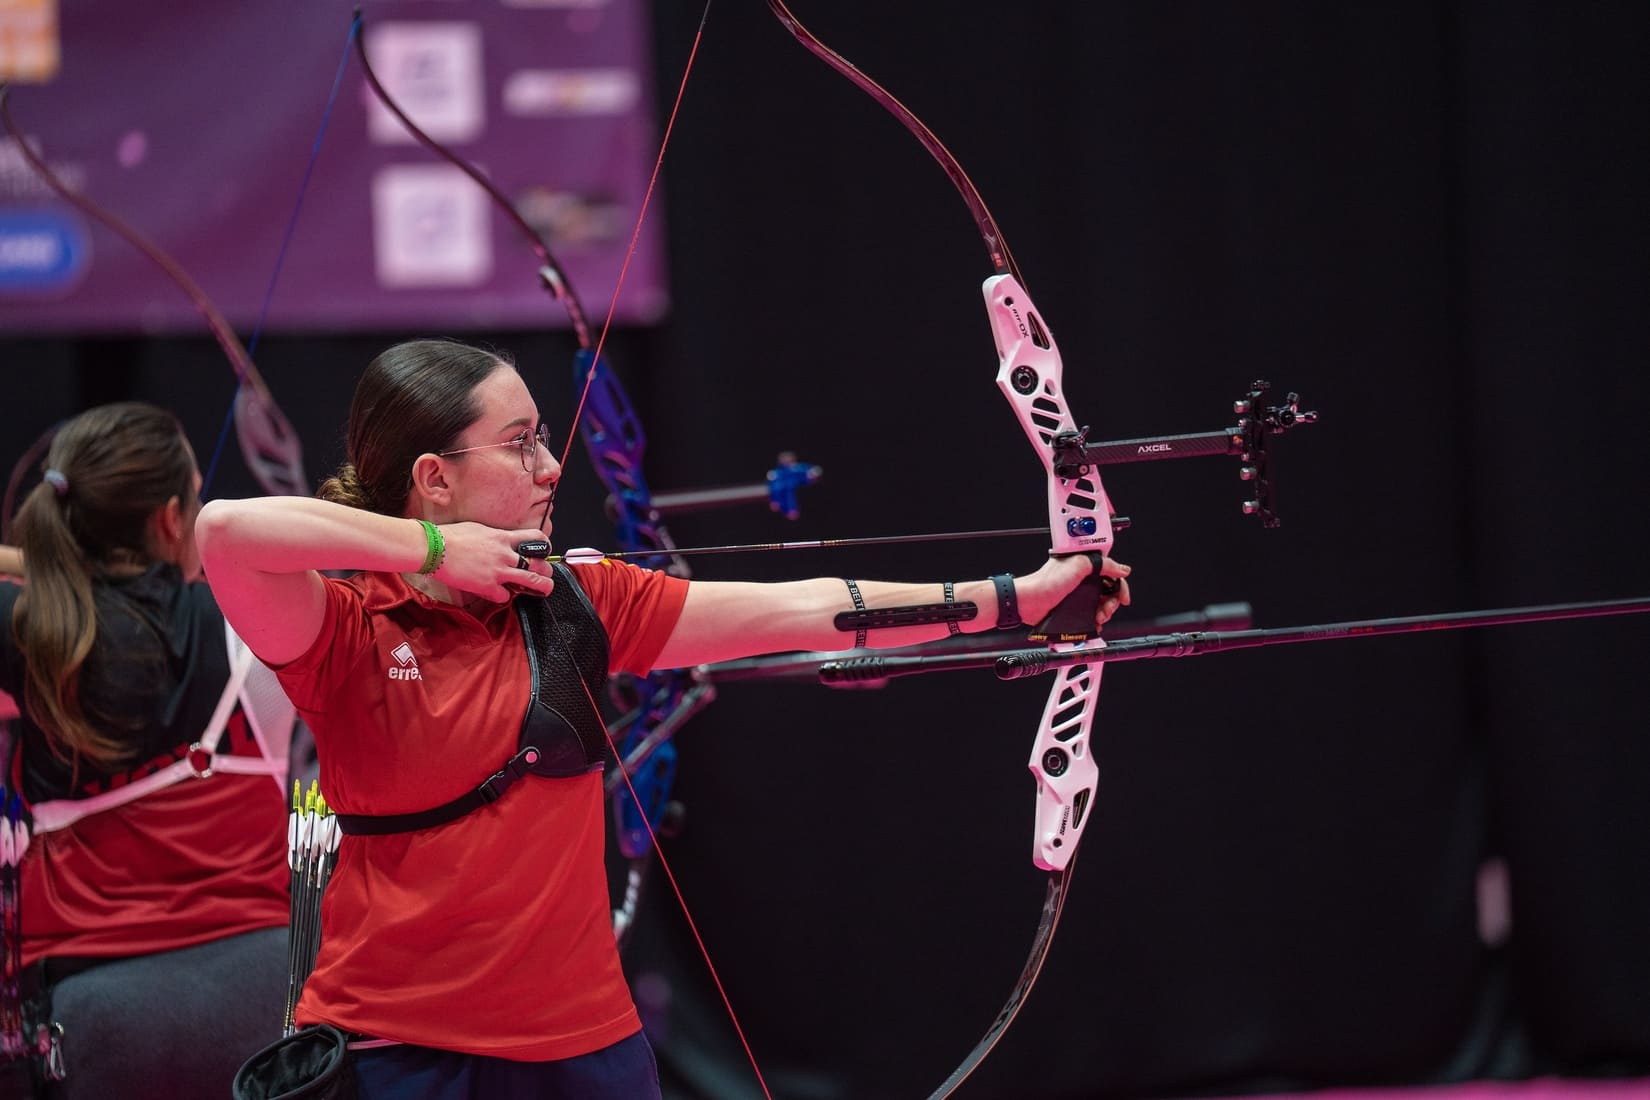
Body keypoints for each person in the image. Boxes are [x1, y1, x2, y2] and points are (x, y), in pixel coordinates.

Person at [196, 338, 1131, 1100]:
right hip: (391, 1046)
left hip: (580, 1046)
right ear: (434, 477)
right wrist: (439, 550)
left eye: (545, 437)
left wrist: (1016, 598)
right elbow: (226, 534)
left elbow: (807, 608)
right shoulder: (348, 623)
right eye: (519, 444)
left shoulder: (579, 600)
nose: (551, 466)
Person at [0, 403, 295, 1100]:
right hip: (268, 1001)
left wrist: (50, 564)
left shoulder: (28, 633)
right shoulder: (260, 624)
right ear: (170, 519)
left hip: (93, 1016)